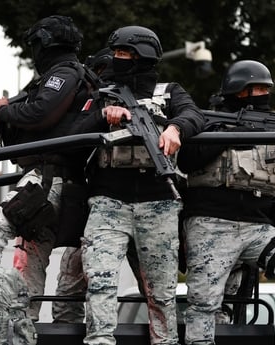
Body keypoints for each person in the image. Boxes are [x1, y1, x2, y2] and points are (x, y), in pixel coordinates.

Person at [76, 26, 206, 345]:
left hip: (159, 203)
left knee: (161, 294)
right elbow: (75, 132)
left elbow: (194, 115)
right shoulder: (100, 92)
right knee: (101, 284)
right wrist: (103, 116)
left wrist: (176, 128)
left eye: (122, 54)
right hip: (108, 202)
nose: (116, 60)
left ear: (141, 57)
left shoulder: (169, 91)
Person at [177, 59, 275, 345]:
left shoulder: (274, 128)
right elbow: (188, 160)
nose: (262, 95)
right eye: (255, 89)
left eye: (266, 88)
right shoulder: (208, 122)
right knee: (204, 302)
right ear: (238, 91)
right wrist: (230, 135)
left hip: (258, 227)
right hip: (211, 222)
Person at [0, 15, 92, 324]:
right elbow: (25, 135)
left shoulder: (64, 74)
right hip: (52, 181)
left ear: (45, 45)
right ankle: (22, 328)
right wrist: (1, 122)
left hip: (49, 181)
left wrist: (2, 110)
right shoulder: (55, 78)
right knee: (30, 261)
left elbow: (41, 114)